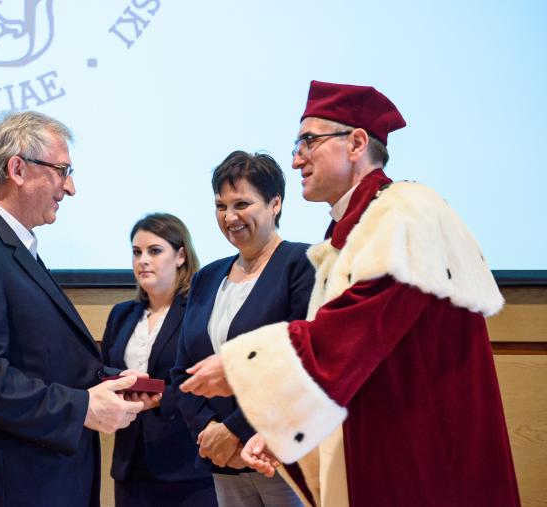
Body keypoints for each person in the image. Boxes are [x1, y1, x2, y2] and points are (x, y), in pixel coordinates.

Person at [180, 81, 521, 506]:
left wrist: (240, 368)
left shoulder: (405, 213)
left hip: (424, 452)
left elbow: (349, 336)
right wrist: (279, 430)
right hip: (384, 446)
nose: (296, 158)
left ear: (356, 143)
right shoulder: (353, 230)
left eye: (308, 141)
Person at [0, 111, 146, 507]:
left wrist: (114, 385)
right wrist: (82, 407)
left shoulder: (8, 248)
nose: (70, 188)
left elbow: (36, 360)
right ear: (17, 169)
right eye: (62, 170)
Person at [171, 151, 316, 506]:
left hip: (281, 459)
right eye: (220, 206)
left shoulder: (303, 264)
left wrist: (234, 431)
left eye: (241, 204)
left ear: (275, 203)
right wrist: (210, 432)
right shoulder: (206, 277)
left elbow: (302, 368)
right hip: (222, 461)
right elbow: (182, 372)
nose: (229, 217)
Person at [101, 213, 218, 507]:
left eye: (154, 251)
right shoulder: (122, 314)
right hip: (130, 464)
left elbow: (207, 381)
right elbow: (103, 370)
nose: (143, 260)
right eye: (136, 252)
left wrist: (159, 398)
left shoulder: (200, 312)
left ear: (180, 256)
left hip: (186, 466)